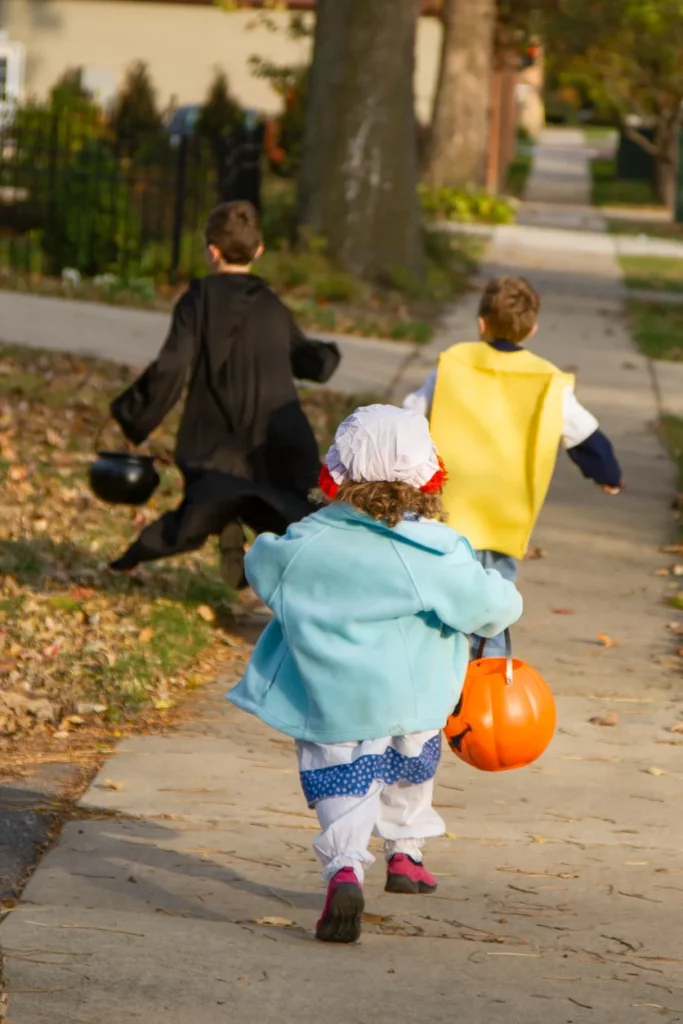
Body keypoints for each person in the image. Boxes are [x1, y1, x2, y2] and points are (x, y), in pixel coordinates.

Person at [227, 405, 523, 943]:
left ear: (338, 474)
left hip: (335, 697)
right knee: (411, 767)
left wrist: (249, 551)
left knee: (342, 781)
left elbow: (264, 568)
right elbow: (489, 606)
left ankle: (344, 868)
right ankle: (406, 854)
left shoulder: (308, 541)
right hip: (415, 696)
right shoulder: (433, 549)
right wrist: (506, 597)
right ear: (426, 477)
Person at [108, 200, 341, 585]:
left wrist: (135, 415)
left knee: (198, 513)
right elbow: (304, 357)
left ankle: (137, 557)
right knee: (296, 516)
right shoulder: (270, 303)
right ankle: (299, 584)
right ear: (259, 251)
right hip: (276, 440)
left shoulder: (196, 301)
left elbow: (171, 366)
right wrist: (327, 357)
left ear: (211, 251)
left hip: (215, 440)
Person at [403, 275, 623, 657]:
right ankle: (488, 688)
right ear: (532, 329)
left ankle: (439, 674)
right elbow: (584, 434)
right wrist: (607, 475)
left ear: (481, 323)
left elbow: (410, 416)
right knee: (493, 605)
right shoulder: (548, 381)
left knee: (441, 594)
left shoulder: (452, 365)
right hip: (507, 516)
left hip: (447, 509)